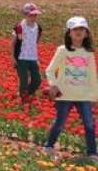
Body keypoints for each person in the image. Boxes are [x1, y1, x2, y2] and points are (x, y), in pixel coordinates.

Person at [42, 16, 98, 162]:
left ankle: (92, 153)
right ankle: (48, 146)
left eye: (82, 29)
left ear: (86, 33)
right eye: (75, 29)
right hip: (64, 94)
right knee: (60, 122)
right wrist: (53, 85)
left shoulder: (89, 53)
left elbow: (93, 76)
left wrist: (94, 96)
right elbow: (49, 70)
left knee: (89, 124)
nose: (78, 32)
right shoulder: (62, 50)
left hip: (83, 95)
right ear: (69, 33)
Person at [11, 2, 43, 104]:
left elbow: (35, 43)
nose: (33, 17)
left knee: (37, 80)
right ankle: (22, 96)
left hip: (33, 58)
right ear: (25, 15)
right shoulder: (19, 27)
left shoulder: (38, 27)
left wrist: (37, 58)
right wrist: (13, 58)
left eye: (35, 15)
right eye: (31, 15)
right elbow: (13, 44)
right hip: (21, 58)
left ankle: (28, 93)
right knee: (23, 80)